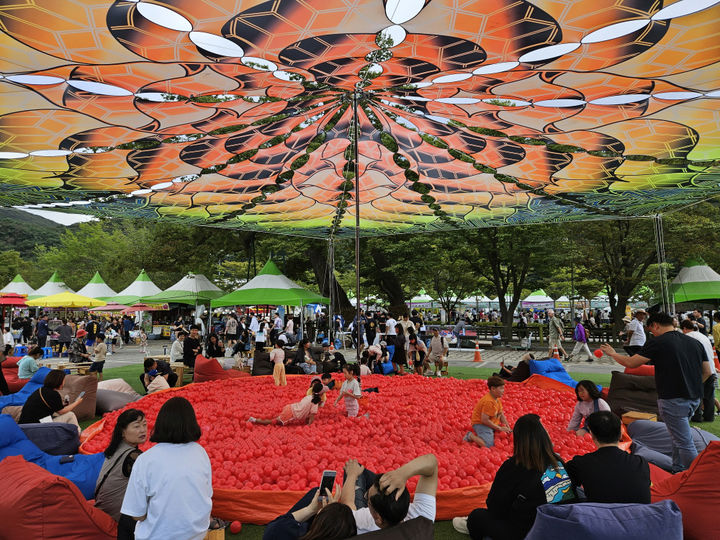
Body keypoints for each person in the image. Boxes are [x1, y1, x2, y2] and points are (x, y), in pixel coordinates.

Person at [601, 312, 711, 472]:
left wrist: (612, 354)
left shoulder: (659, 342)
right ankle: (678, 469)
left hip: (673, 399)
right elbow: (707, 371)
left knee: (683, 441)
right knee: (677, 437)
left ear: (655, 325)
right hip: (694, 398)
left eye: (651, 329)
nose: (652, 333)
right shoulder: (694, 342)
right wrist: (691, 385)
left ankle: (696, 476)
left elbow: (631, 363)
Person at [453, 414, 575, 539]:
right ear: (544, 437)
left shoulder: (514, 466)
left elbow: (495, 507)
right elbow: (566, 501)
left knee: (477, 516)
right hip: (556, 528)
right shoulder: (557, 462)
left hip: (525, 532)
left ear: (519, 440)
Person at [121, 397, 212, 540]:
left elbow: (137, 514)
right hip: (197, 533)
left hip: (159, 536)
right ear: (192, 423)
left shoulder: (145, 460)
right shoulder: (200, 452)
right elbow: (206, 495)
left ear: (161, 424)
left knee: (125, 521)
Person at [340, 453, 438, 534]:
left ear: (378, 518)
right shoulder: (423, 518)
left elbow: (347, 505)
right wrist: (402, 473)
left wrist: (351, 475)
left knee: (356, 469)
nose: (365, 496)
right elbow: (432, 462)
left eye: (367, 498)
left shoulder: (363, 523)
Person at [566, 411, 650, 503]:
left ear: (592, 435)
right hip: (640, 515)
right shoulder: (640, 463)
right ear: (621, 434)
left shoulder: (581, 464)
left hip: (602, 515)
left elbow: (558, 491)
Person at [95, 409, 147, 538]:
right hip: (119, 516)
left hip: (103, 505)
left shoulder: (116, 448)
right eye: (136, 426)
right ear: (123, 432)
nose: (142, 430)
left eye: (144, 424)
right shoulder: (133, 456)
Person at [263, 486, 355, 540]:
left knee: (316, 492)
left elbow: (275, 528)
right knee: (316, 492)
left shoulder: (285, 531)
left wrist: (310, 509)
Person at [18, 369, 83, 431]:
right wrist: (77, 402)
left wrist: (62, 405)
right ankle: (78, 434)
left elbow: (50, 406)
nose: (64, 382)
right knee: (70, 415)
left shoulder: (41, 390)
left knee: (60, 414)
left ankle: (69, 433)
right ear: (59, 381)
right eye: (63, 380)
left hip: (25, 425)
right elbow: (62, 411)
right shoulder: (53, 394)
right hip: (35, 427)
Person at [679, 319, 718, 422]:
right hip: (711, 368)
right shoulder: (703, 336)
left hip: (700, 369)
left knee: (696, 393)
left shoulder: (688, 337)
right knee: (709, 395)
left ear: (684, 328)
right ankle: (709, 417)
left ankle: (697, 417)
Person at [463, 376, 511, 448]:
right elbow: (484, 420)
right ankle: (470, 436)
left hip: (491, 422)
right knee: (488, 445)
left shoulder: (497, 399)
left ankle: (490, 431)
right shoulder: (489, 402)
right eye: (501, 388)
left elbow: (501, 414)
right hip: (481, 424)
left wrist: (507, 426)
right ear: (493, 389)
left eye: (503, 388)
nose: (503, 390)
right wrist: (499, 428)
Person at [250, 381, 323, 426]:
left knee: (275, 420)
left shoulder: (309, 397)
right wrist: (309, 426)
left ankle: (257, 419)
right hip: (290, 412)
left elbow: (308, 414)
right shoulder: (315, 401)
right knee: (274, 422)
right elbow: (312, 416)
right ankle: (254, 420)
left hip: (290, 408)